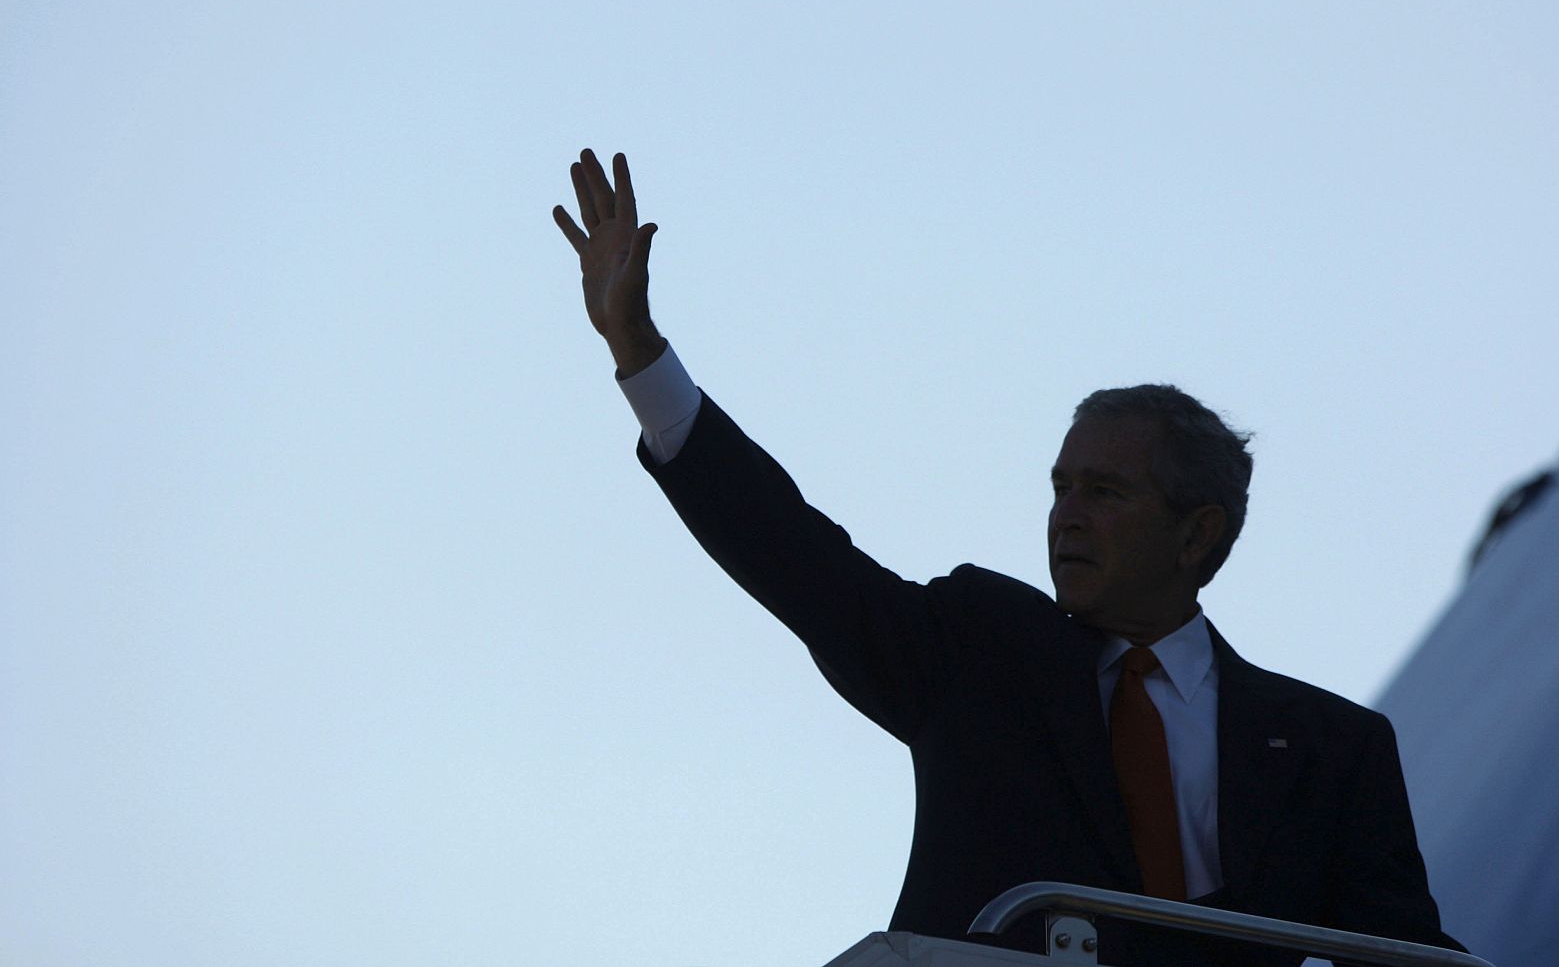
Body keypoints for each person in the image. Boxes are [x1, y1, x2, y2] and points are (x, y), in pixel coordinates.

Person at [552, 149, 1463, 966]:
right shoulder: (981, 651)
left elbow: (1413, 959)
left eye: (1105, 494)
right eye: (1061, 488)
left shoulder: (1332, 751)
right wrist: (639, 352)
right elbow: (795, 556)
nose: (1066, 516)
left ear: (1198, 534)